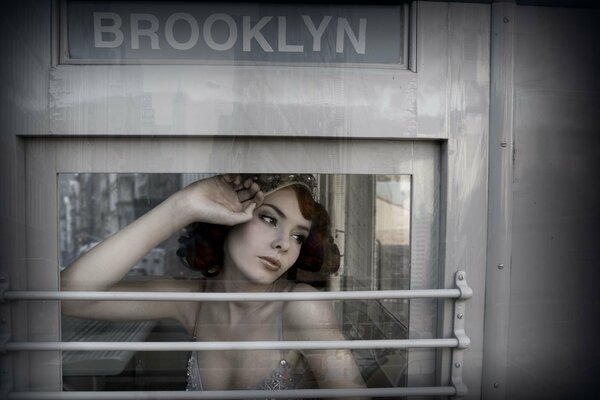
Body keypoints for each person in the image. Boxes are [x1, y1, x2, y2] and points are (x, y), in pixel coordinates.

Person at [61, 174, 367, 397]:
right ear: (230, 216)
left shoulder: (302, 307)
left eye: (298, 236)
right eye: (270, 219)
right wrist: (185, 204)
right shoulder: (193, 302)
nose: (283, 244)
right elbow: (70, 297)